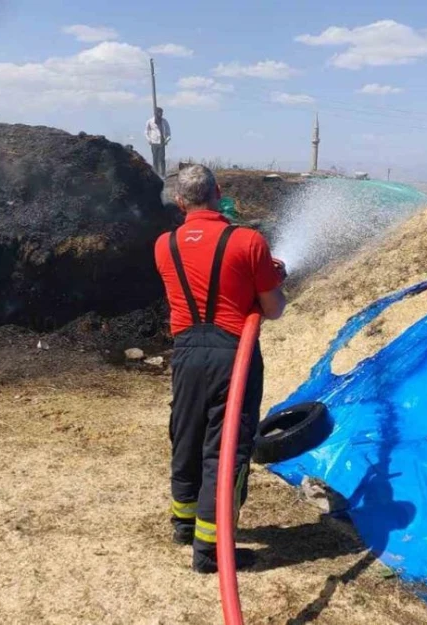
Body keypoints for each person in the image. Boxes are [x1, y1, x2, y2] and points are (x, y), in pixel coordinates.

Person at [154, 164, 287, 574]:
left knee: (187, 435)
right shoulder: (248, 241)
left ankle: (183, 523)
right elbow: (273, 308)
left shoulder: (164, 244)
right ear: (218, 191)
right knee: (226, 449)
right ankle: (209, 550)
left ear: (180, 201)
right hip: (235, 354)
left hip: (187, 353)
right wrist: (272, 275)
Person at [144, 107, 171, 176]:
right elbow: (146, 132)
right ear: (155, 113)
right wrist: (149, 140)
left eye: (161, 113)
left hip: (162, 142)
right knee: (155, 159)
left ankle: (163, 174)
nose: (160, 114)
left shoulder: (164, 121)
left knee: (162, 158)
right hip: (154, 142)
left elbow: (168, 131)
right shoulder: (150, 121)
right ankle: (156, 174)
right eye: (159, 113)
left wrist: (167, 139)